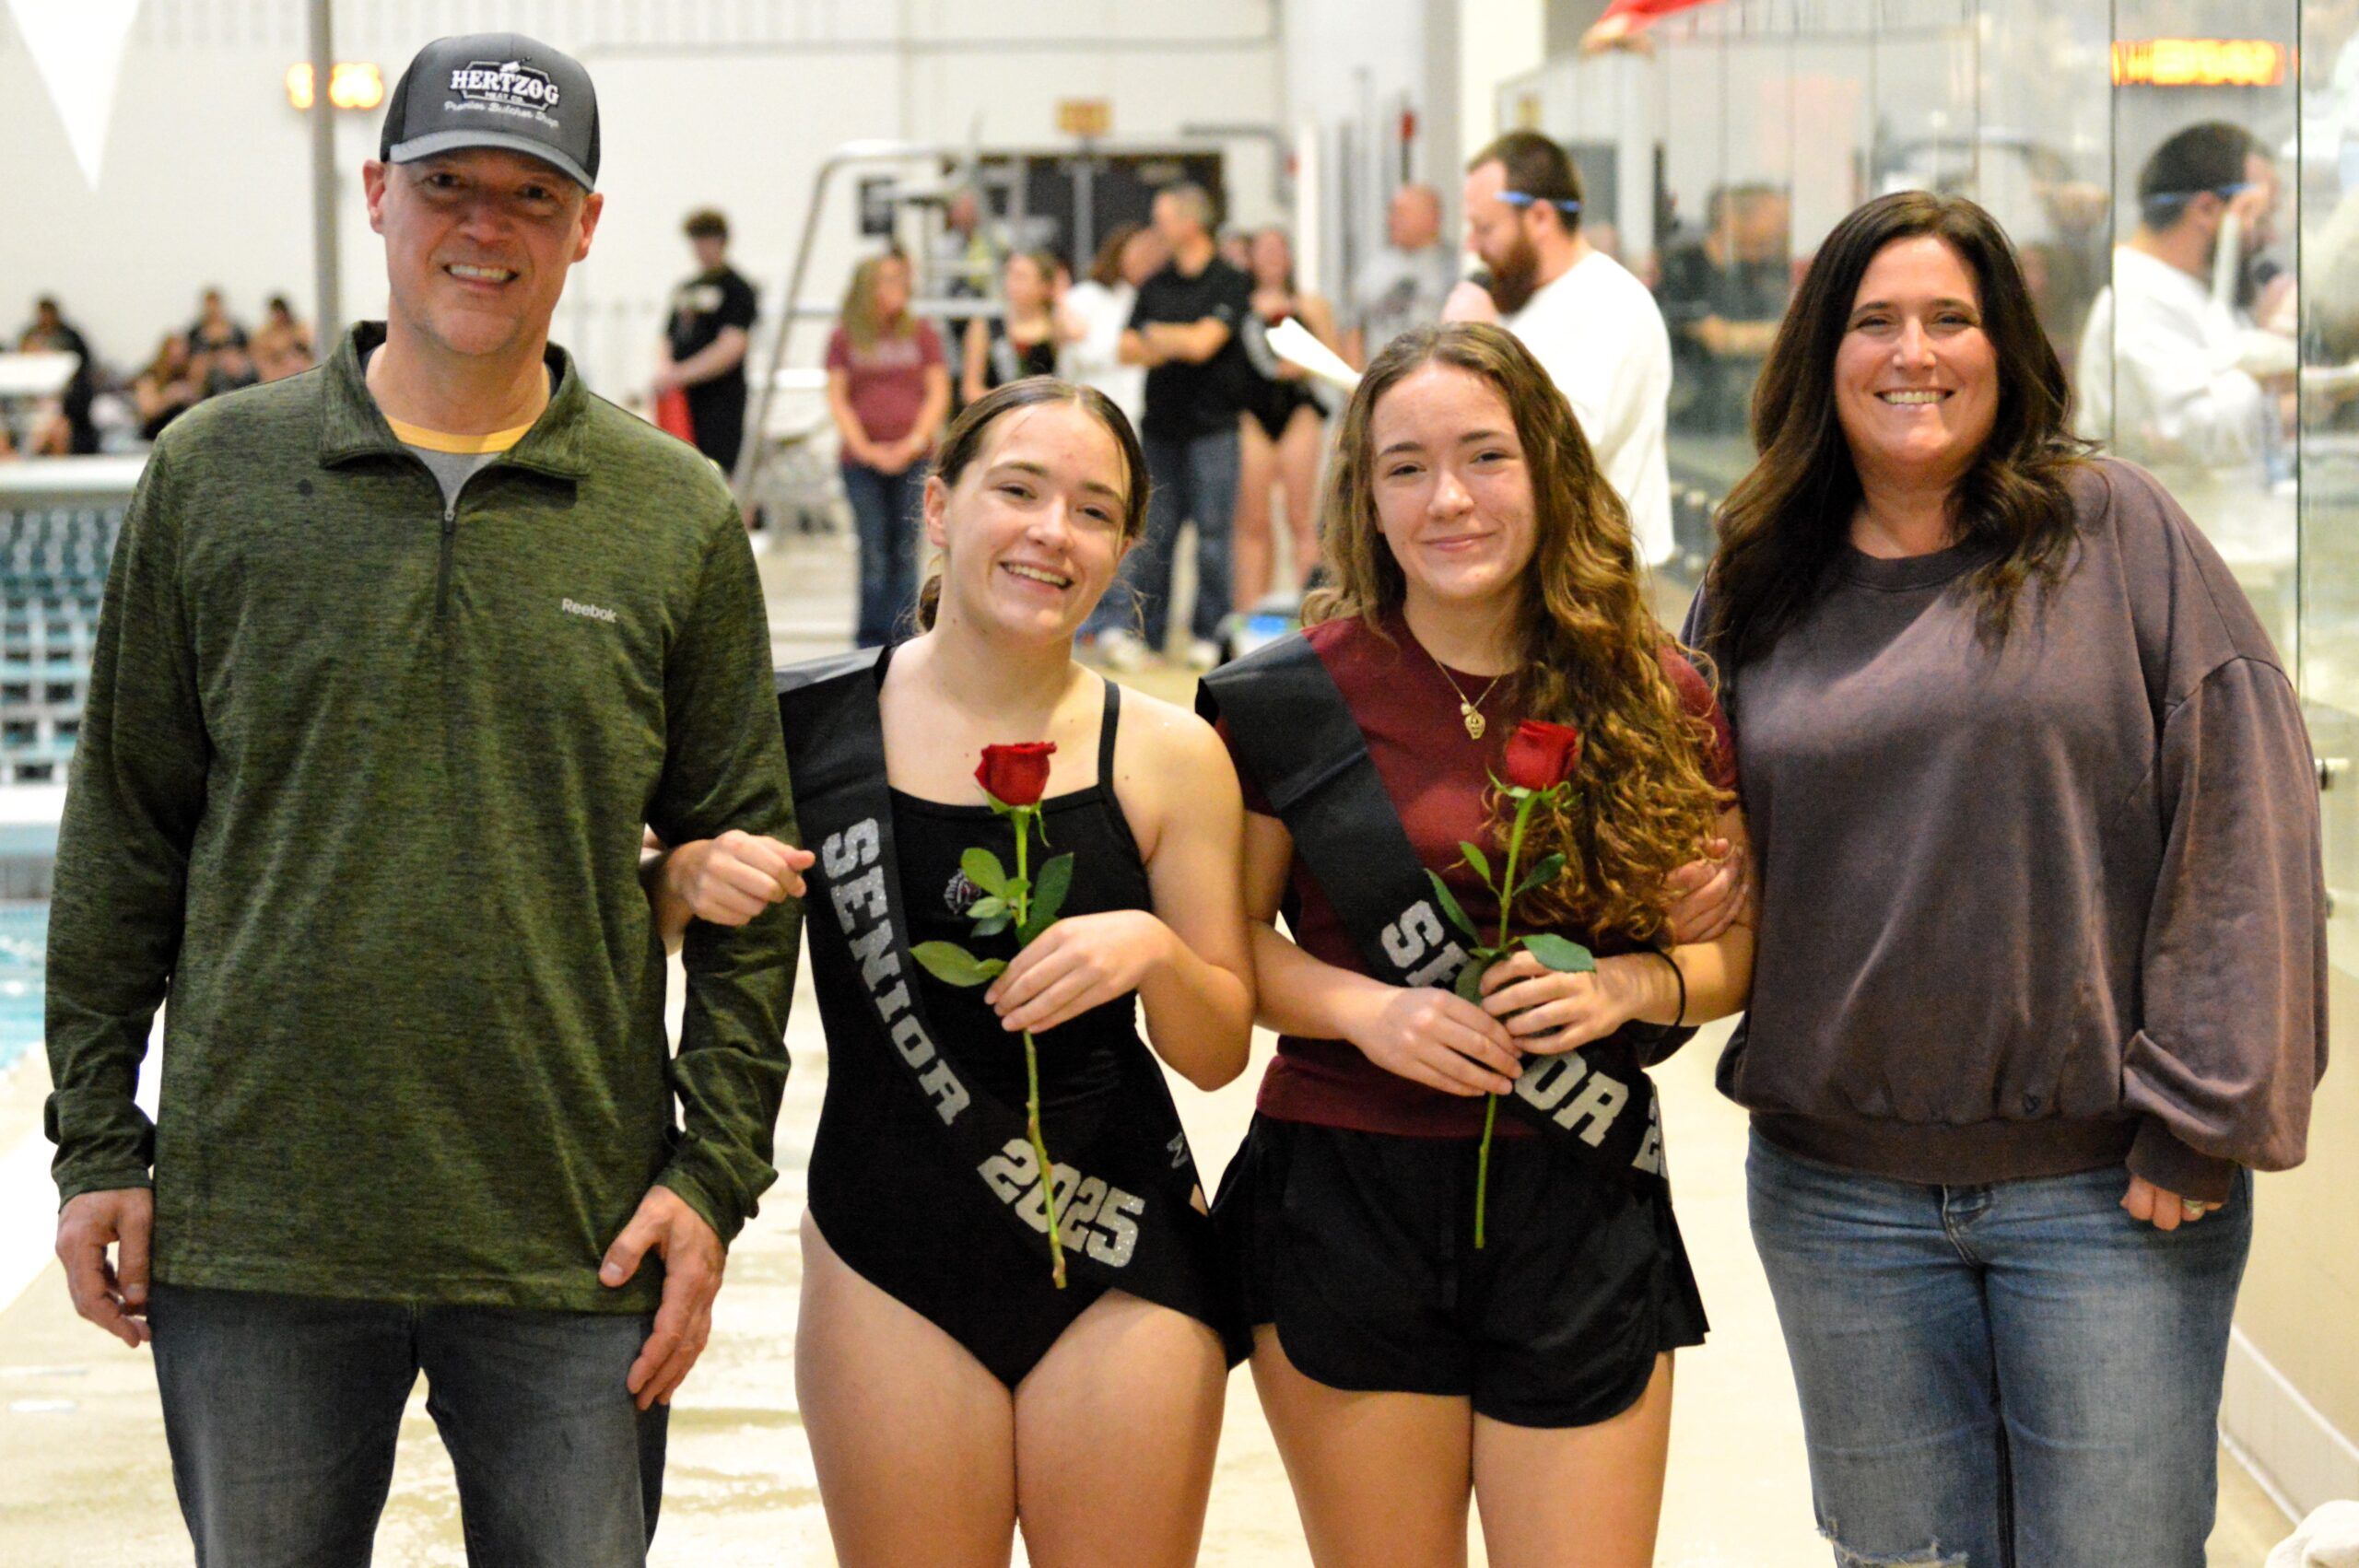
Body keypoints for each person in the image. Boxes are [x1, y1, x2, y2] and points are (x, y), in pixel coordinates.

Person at [44, 34, 805, 1568]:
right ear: (381, 192)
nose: (487, 225)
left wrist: (713, 1176)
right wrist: (97, 1141)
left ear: (587, 225)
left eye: (534, 195)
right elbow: (125, 828)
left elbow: (753, 874)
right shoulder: (217, 477)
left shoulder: (672, 514)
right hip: (260, 1227)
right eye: (450, 183)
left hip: (570, 1232)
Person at [1686, 190, 2326, 1568]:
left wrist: (2202, 1115)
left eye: (1950, 319)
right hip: (1837, 1194)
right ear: (1821, 352)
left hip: (2104, 1194)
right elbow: (1700, 839)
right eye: (1875, 322)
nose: (1913, 353)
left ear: (2006, 345)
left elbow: (2246, 808)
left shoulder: (2117, 532)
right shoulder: (1758, 575)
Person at [654, 378, 1254, 1565]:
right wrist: (678, 878)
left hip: (1119, 1245)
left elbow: (1217, 1045)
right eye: (1017, 491)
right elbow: (639, 913)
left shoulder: (1171, 754)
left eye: (1092, 510)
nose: (1050, 532)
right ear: (938, 505)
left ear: (1123, 546)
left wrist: (1152, 949)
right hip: (888, 1255)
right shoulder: (805, 727)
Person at [1202, 322, 1754, 1568]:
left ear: (1549, 468)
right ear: (1366, 498)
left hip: (1581, 1193)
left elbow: (1738, 950)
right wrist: (1362, 1009)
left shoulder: (1657, 692)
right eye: (1406, 466)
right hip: (1348, 1194)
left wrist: (1636, 982)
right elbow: (1231, 944)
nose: (1448, 497)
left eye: (1484, 456)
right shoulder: (1282, 700)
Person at [1446, 131, 1676, 569]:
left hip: (1594, 572)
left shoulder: (1609, 302)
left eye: (1485, 228)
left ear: (1539, 217)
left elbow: (1568, 445)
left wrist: (1481, 343)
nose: (1472, 246)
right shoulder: (1522, 296)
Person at [2077, 122, 2294, 575]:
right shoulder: (2136, 299)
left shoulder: (2190, 293)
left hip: (2217, 554)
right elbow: (2194, 432)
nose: (2269, 237)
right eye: (2260, 215)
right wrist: (2258, 371)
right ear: (2207, 209)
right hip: (2164, 567)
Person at [1103, 182, 1257, 671]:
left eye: (1163, 217)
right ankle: (1145, 636)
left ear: (1190, 223)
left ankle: (1210, 633)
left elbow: (1204, 345)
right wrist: (1176, 338)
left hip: (1214, 429)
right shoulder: (1155, 284)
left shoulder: (1229, 281)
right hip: (1161, 429)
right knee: (1155, 537)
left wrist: (1159, 337)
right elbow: (1126, 349)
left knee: (1213, 537)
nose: (1156, 228)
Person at [827, 249, 951, 648]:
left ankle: (904, 637)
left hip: (914, 458)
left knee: (904, 549)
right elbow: (837, 396)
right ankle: (868, 639)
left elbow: (937, 392)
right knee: (873, 549)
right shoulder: (846, 336)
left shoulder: (921, 332)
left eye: (902, 279)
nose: (900, 288)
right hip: (861, 462)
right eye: (890, 280)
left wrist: (914, 441)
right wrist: (863, 447)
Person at [1234, 226, 1341, 606]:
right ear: (1250, 257)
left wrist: (1302, 362)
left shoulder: (1310, 305)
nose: (1271, 259)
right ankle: (1249, 611)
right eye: (1263, 251)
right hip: (1252, 414)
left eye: (1278, 250)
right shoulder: (1238, 305)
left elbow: (1334, 359)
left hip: (1297, 410)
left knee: (1300, 517)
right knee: (1253, 522)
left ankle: (1307, 609)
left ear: (1290, 257)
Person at [1656, 184, 1791, 437]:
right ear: (1733, 218)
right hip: (1685, 420)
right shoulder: (1685, 265)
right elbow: (1719, 339)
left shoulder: (1753, 271)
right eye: (1773, 216)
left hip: (1736, 419)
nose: (1782, 225)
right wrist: (1788, 332)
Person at [655, 206, 758, 477]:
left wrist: (682, 374)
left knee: (718, 473)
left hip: (719, 401)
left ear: (721, 241)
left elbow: (731, 346)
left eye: (705, 240)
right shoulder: (686, 289)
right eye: (696, 241)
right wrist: (665, 372)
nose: (700, 248)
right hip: (682, 401)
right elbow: (667, 336)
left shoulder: (737, 289)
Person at [1059, 222, 1164, 426]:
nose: (1147, 260)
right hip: (1091, 409)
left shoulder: (1152, 299)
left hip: (1140, 413)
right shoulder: (1085, 295)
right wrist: (1129, 350)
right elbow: (1075, 353)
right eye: (1139, 252)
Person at [1345, 183, 1457, 369]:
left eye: (1402, 213)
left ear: (1432, 218)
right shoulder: (1373, 268)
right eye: (1392, 213)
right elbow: (1353, 326)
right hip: (1382, 378)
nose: (1391, 220)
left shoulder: (1453, 267)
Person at [962, 250, 1065, 405]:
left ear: (1044, 286)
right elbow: (971, 389)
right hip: (998, 413)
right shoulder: (986, 324)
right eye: (1009, 275)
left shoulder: (1056, 325)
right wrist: (1010, 406)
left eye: (1021, 277)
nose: (1011, 283)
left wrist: (1060, 297)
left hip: (1045, 415)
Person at [17, 295, 100, 455]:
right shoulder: (29, 334)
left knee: (58, 427)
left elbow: (82, 368)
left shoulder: (70, 338)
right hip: (29, 408)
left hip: (56, 410)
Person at [130, 333, 199, 441]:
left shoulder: (191, 376)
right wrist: (169, 397)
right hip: (155, 433)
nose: (177, 362)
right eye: (173, 357)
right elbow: (147, 411)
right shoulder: (150, 377)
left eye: (181, 357)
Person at [250, 293, 318, 381]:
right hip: (274, 371)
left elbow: (306, 349)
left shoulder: (299, 329)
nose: (279, 317)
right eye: (276, 314)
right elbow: (258, 357)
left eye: (281, 313)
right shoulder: (264, 334)